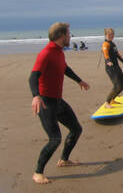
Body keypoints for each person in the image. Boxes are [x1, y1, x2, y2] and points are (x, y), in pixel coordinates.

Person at [29, 22, 90, 184]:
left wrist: (79, 80)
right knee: (55, 138)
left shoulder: (59, 52)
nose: (70, 36)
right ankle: (38, 172)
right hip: (45, 103)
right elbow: (33, 76)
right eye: (69, 34)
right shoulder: (46, 53)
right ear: (61, 36)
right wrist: (36, 96)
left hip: (57, 101)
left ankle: (64, 160)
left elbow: (64, 68)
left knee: (76, 129)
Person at [102, 28, 123, 108]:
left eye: (112, 34)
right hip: (110, 68)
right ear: (106, 35)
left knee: (122, 85)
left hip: (116, 67)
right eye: (109, 34)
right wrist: (108, 61)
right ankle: (107, 102)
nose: (111, 36)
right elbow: (105, 54)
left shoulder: (113, 44)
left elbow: (117, 54)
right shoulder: (105, 44)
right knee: (117, 85)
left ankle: (112, 99)